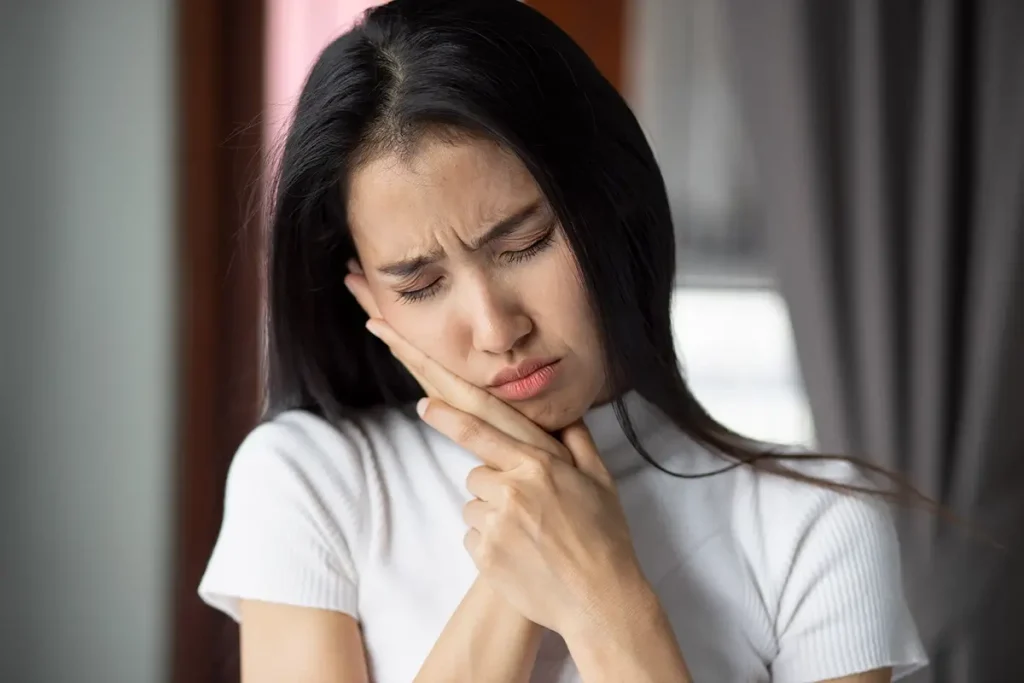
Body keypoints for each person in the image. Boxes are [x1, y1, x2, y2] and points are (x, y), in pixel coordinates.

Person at [198, 0, 929, 681]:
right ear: (364, 295)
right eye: (420, 285)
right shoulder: (309, 480)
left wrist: (607, 602)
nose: (495, 327)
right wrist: (523, 536)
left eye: (524, 243)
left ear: (610, 204)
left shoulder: (817, 524)